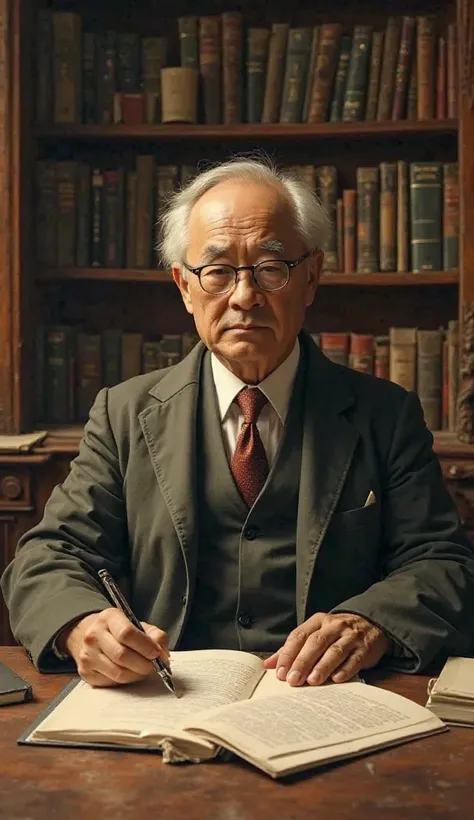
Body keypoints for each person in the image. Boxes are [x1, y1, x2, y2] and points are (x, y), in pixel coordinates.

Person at [2, 157, 474, 690]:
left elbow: (444, 564)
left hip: (326, 699)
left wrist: (371, 624)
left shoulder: (385, 415)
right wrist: (80, 625)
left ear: (312, 277)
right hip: (165, 696)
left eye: (271, 270)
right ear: (184, 286)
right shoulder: (124, 413)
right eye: (218, 271)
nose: (245, 297)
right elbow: (48, 556)